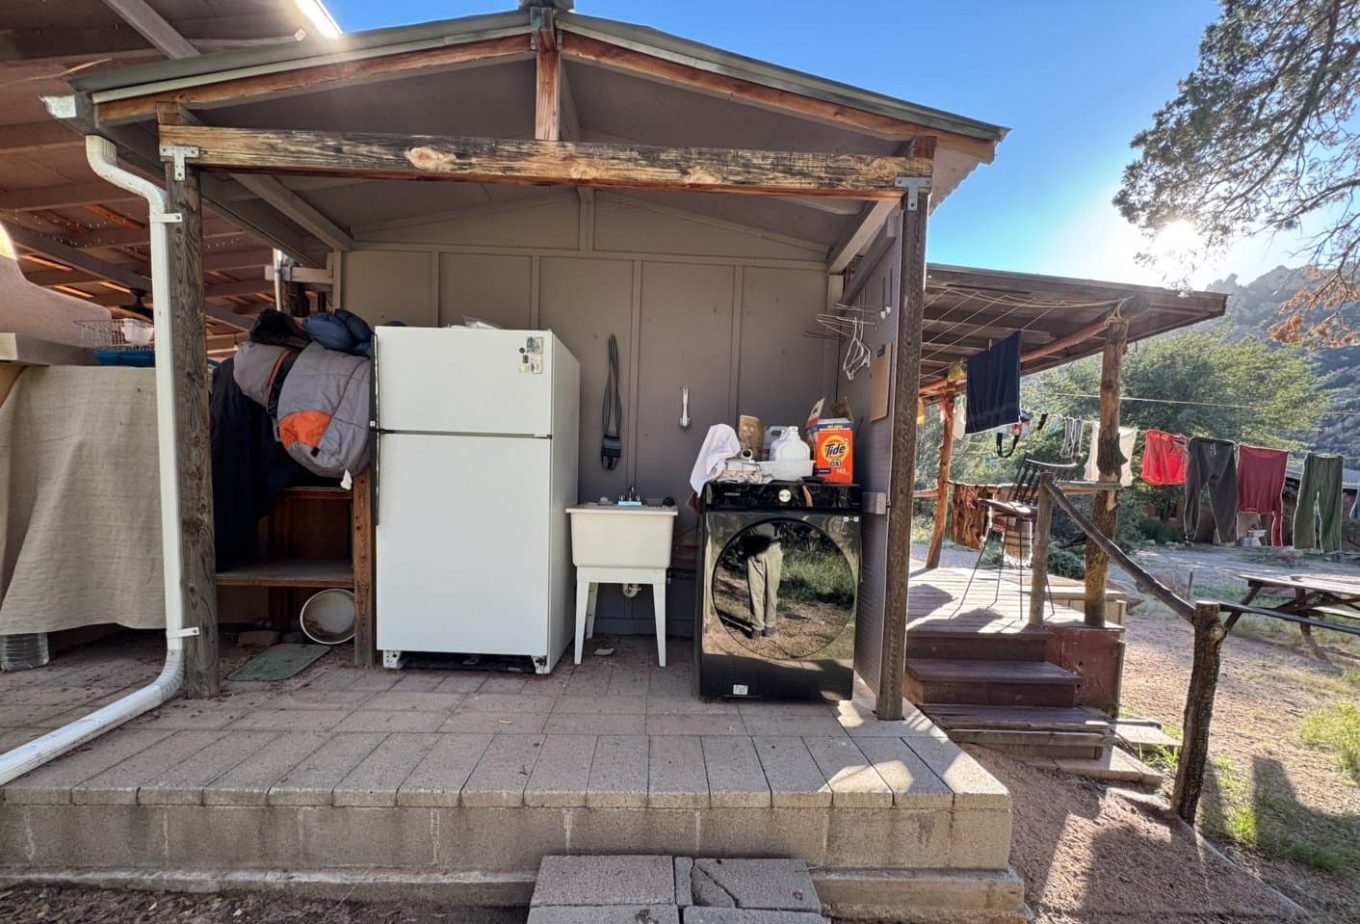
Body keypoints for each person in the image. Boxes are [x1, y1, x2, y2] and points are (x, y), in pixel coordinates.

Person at [741, 524, 783, 638]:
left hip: (771, 548)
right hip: (751, 549)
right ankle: (756, 627)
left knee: (771, 591)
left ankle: (769, 625)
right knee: (755, 591)